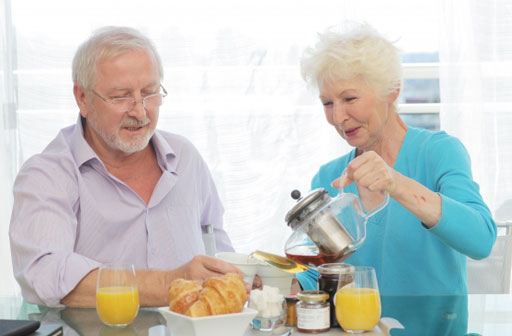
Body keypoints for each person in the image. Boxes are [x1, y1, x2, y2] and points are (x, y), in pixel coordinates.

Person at [9, 26, 242, 308]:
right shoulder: (48, 175)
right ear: (82, 98)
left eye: (149, 92)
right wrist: (170, 283)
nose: (140, 111)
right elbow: (44, 275)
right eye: (121, 96)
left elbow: (216, 243)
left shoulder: (185, 157)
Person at [296, 22, 496, 294]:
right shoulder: (328, 178)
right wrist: (269, 282)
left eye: (350, 98)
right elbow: (320, 273)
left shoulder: (438, 153)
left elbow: (481, 241)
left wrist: (396, 184)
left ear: (392, 91)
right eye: (327, 103)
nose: (338, 117)